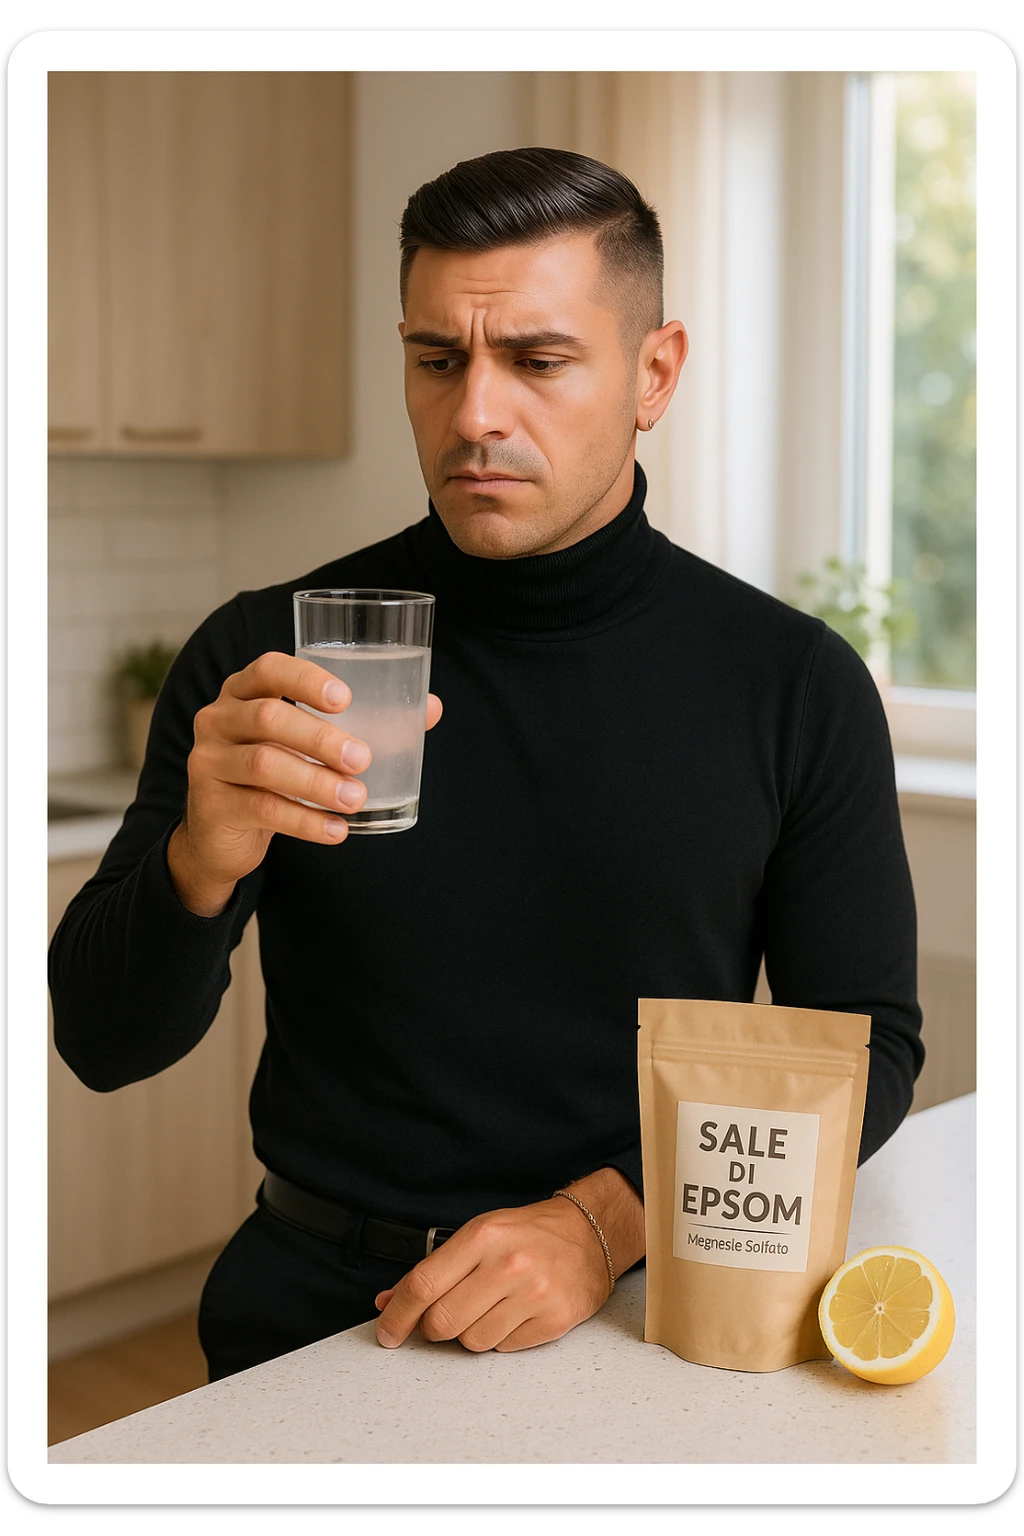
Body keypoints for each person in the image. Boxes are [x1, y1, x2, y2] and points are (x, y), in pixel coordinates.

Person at [48, 147, 923, 1382]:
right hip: (310, 1315)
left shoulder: (788, 683)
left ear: (653, 372)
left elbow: (867, 1046)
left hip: (634, 1311)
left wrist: (598, 1224)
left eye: (538, 360)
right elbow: (99, 1041)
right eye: (436, 360)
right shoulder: (268, 655)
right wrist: (198, 862)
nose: (473, 416)